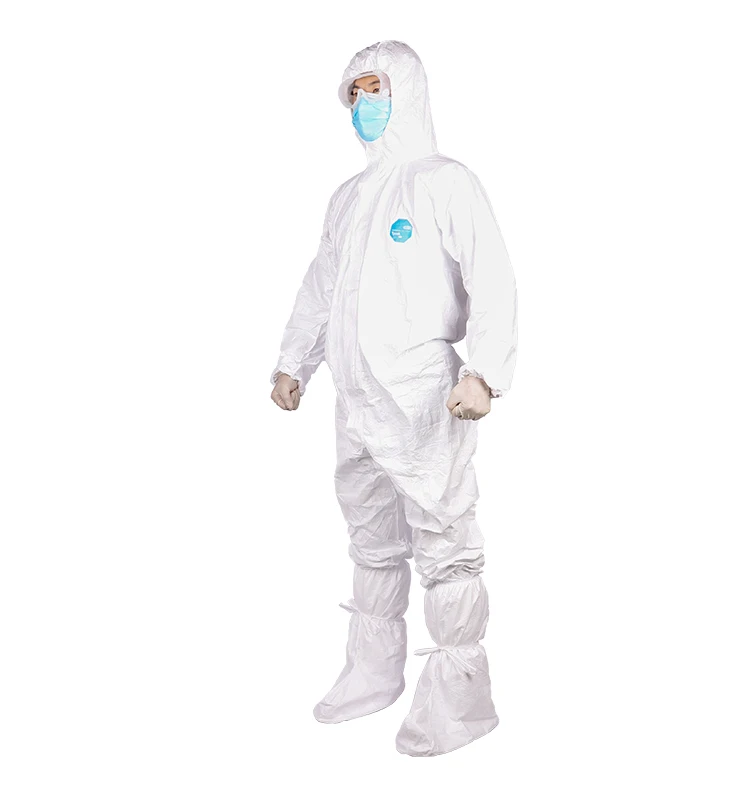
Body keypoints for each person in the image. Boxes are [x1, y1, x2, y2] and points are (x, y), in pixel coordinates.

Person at [270, 40, 517, 757]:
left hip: (424, 395)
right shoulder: (347, 198)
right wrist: (293, 361)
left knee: (444, 540)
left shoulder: (444, 181)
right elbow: (321, 287)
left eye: (374, 89)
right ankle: (372, 671)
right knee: (372, 539)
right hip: (355, 399)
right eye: (353, 94)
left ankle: (459, 704)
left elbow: (493, 277)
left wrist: (485, 372)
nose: (363, 105)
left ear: (406, 90)